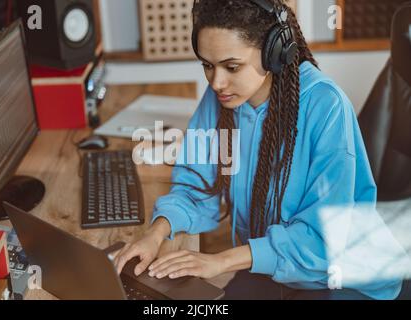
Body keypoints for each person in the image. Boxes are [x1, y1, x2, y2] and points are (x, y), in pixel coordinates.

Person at [114, 0, 408, 300]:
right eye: (207, 65)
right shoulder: (225, 97)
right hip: (272, 267)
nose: (217, 82)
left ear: (274, 54)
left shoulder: (326, 107)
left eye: (232, 66)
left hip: (343, 277)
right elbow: (196, 184)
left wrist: (222, 261)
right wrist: (156, 233)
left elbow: (325, 239)